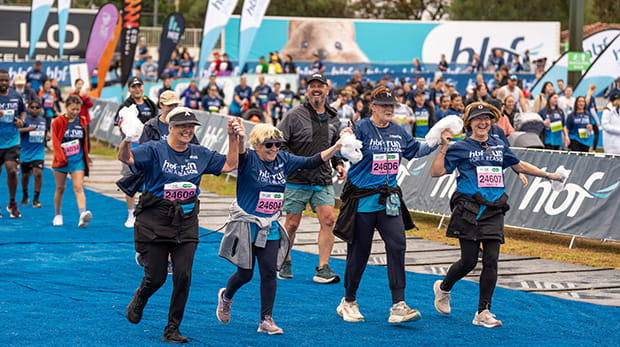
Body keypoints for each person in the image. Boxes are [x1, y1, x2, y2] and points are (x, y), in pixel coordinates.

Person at [430, 101, 564, 328]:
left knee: (491, 261)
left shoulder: (498, 144)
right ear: (469, 123)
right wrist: (444, 147)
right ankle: (443, 288)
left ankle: (483, 311)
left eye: (487, 119)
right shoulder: (460, 146)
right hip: (469, 209)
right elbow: (436, 172)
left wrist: (548, 175)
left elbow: (518, 164)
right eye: (477, 119)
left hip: (494, 209)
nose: (483, 122)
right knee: (469, 261)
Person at [120, 107, 243, 344]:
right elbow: (127, 158)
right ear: (170, 128)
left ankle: (172, 328)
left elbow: (230, 164)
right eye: (182, 126)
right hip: (154, 220)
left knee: (183, 275)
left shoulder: (200, 153)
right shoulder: (155, 149)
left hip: (185, 222)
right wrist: (126, 139)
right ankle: (140, 298)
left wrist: (232, 136)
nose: (187, 130)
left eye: (191, 126)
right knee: (156, 278)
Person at [216, 124, 345, 334]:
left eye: (278, 144)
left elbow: (312, 161)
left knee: (269, 272)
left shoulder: (283, 159)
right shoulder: (248, 158)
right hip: (247, 225)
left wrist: (337, 147)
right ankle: (226, 297)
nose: (274, 148)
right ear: (257, 145)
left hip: (270, 226)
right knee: (245, 274)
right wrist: (238, 136)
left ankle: (266, 320)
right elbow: (238, 152)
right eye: (269, 144)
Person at [333, 86, 445, 323]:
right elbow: (345, 145)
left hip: (390, 199)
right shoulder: (361, 126)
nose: (388, 109)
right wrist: (346, 138)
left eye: (391, 106)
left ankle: (398, 305)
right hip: (363, 199)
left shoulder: (399, 130)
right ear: (372, 106)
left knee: (397, 245)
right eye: (383, 105)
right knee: (360, 252)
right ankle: (348, 301)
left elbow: (415, 150)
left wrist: (437, 141)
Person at [276, 72, 345, 283]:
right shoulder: (293, 115)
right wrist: (293, 163)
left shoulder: (334, 116)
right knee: (292, 224)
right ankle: (284, 259)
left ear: (327, 90)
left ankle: (323, 267)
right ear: (307, 90)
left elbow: (335, 145)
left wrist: (339, 163)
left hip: (323, 179)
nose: (316, 89)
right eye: (312, 85)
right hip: (297, 179)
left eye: (320, 85)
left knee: (328, 220)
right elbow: (280, 141)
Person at [115, 76, 158, 228]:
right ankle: (130, 213)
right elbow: (119, 126)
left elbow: (157, 122)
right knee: (130, 178)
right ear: (129, 89)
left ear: (143, 87)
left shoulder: (149, 104)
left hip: (148, 147)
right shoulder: (125, 106)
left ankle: (146, 213)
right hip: (131, 147)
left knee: (149, 180)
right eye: (134, 87)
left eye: (139, 86)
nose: (137, 89)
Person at [51, 95, 92, 227]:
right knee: (60, 188)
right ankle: (58, 214)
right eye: (72, 109)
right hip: (61, 159)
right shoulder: (58, 121)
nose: (75, 112)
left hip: (77, 160)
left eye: (77, 109)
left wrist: (87, 155)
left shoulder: (82, 121)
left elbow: (84, 140)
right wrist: (60, 157)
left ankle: (82, 215)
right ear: (66, 107)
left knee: (78, 187)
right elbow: (55, 141)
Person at [0, 69, 26, 218]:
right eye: (1, 80)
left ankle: (12, 203)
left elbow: (22, 111)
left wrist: (21, 121)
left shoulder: (15, 96)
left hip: (12, 141)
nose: (4, 83)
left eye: (6, 80)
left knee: (11, 170)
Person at [18, 100, 47, 207]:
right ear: (28, 109)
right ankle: (25, 195)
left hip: (38, 152)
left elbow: (46, 133)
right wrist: (27, 129)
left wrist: (47, 137)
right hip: (25, 152)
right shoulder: (25, 120)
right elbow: (17, 131)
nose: (34, 109)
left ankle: (36, 198)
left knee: (38, 173)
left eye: (37, 107)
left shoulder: (43, 121)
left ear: (40, 109)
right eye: (32, 107)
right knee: (25, 175)